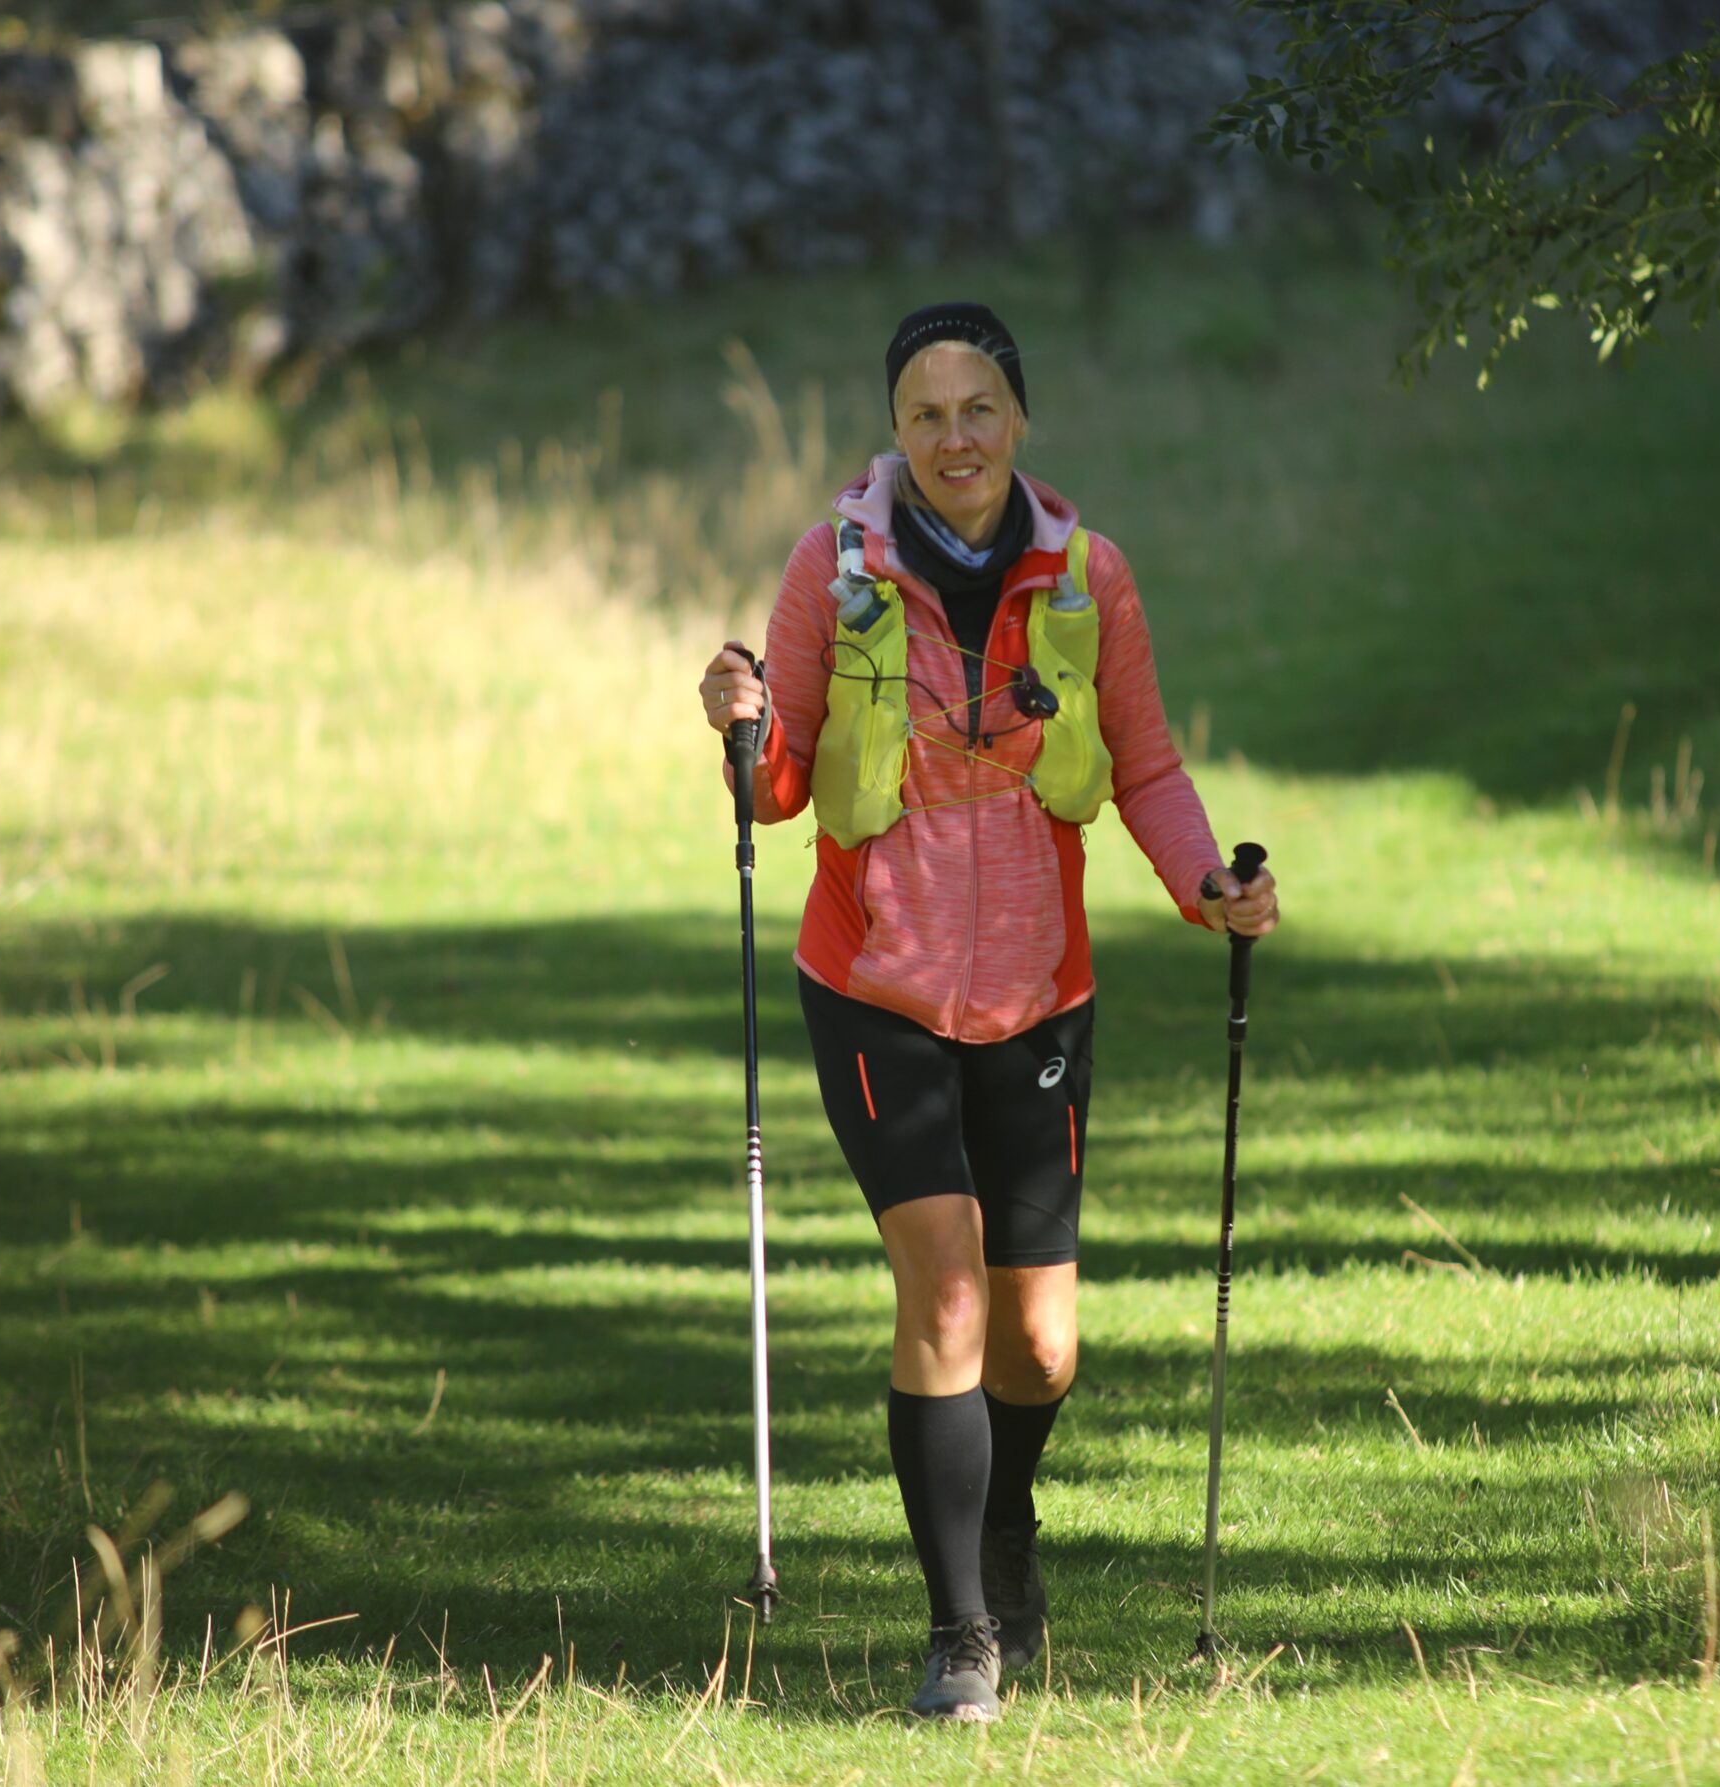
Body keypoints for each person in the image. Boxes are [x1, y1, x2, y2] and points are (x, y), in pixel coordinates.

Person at [695, 302, 1280, 1723]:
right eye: (923, 414)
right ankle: (962, 1629)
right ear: (891, 433)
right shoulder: (830, 573)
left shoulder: (1088, 580)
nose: (952, 438)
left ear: (1017, 420)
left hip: (1038, 993)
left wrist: (1208, 883)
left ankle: (1006, 1521)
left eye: (976, 410)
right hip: (875, 981)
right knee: (944, 1288)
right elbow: (776, 792)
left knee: (1039, 1347)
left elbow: (1142, 765)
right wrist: (740, 724)